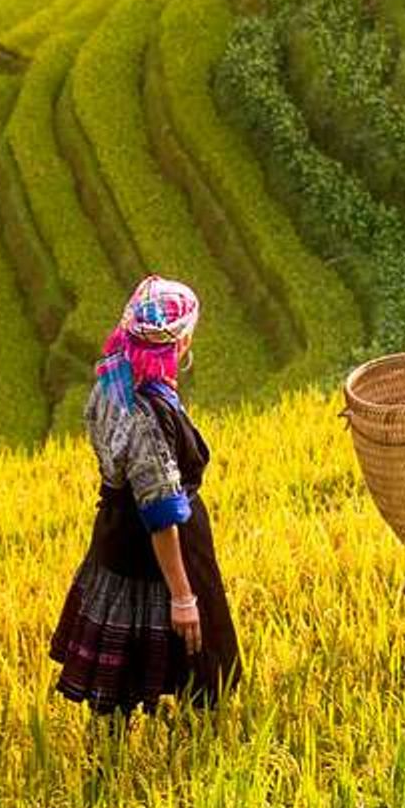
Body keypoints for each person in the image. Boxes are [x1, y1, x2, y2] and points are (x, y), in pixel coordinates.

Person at [48, 276, 238, 714]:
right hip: (155, 548)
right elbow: (161, 512)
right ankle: (196, 753)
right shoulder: (146, 414)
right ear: (182, 341)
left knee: (117, 681)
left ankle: (112, 754)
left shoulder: (110, 382)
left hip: (113, 538)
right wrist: (183, 596)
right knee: (207, 668)